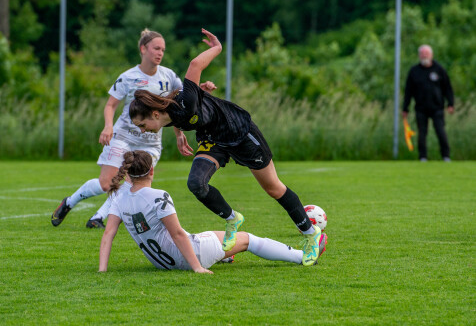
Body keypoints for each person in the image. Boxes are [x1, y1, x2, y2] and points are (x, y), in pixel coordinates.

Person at [128, 28, 323, 267]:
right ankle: (232, 219)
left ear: (155, 113)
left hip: (240, 132)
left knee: (273, 188)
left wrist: (217, 48)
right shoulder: (167, 116)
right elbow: (175, 117)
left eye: (142, 124)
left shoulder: (184, 104)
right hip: (213, 139)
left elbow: (195, 64)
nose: (142, 130)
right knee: (196, 184)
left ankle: (311, 235)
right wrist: (180, 136)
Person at [51, 29, 216, 228]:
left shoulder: (169, 76)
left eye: (163, 49)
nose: (160, 53)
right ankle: (70, 202)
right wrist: (108, 126)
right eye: (156, 48)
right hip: (123, 136)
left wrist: (199, 92)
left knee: (131, 182)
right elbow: (110, 105)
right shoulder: (128, 77)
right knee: (107, 184)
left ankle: (97, 218)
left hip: (150, 142)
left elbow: (178, 103)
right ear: (143, 49)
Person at [98, 150, 327, 273]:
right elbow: (177, 234)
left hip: (161, 263)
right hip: (190, 258)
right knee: (249, 239)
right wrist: (197, 268)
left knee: (219, 235)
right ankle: (304, 256)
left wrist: (102, 270)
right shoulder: (158, 195)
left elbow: (108, 235)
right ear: (152, 171)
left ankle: (224, 255)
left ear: (128, 174)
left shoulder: (119, 196)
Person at [402, 45, 454, 162]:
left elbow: (447, 88)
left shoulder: (439, 69)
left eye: (427, 54)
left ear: (431, 55)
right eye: (422, 54)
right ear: (419, 56)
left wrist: (450, 104)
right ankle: (423, 157)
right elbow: (408, 91)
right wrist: (405, 108)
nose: (425, 56)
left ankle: (446, 156)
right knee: (422, 133)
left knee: (441, 132)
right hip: (421, 108)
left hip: (437, 108)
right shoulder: (414, 71)